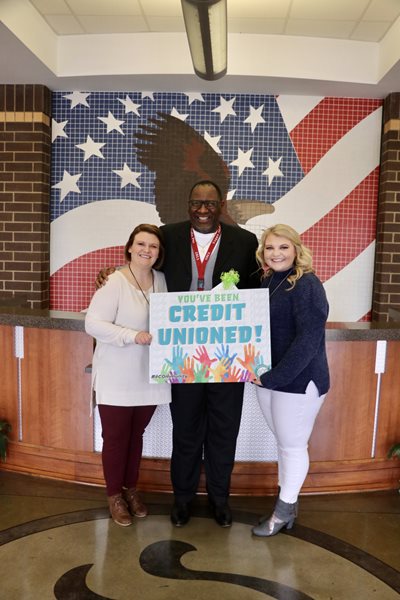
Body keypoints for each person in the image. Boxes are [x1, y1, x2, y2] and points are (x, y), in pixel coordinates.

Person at [96, 181, 259, 527]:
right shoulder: (168, 236)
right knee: (184, 432)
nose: (203, 210)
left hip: (228, 358)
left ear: (221, 205)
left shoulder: (245, 242)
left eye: (210, 204)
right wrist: (111, 272)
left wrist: (255, 356)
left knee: (223, 431)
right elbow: (143, 261)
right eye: (197, 203)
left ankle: (220, 500)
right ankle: (182, 500)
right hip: (182, 357)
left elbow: (256, 298)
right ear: (188, 204)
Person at [85, 224, 171, 527]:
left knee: (136, 437)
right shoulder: (114, 281)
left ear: (159, 253)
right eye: (141, 244)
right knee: (116, 438)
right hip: (117, 375)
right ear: (130, 247)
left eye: (153, 246)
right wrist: (131, 335)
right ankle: (114, 496)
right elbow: (93, 324)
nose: (147, 250)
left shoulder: (162, 280)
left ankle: (131, 489)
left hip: (148, 375)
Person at [251, 224, 330, 537]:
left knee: (293, 446)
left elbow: (308, 340)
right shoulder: (270, 279)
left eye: (283, 247)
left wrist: (274, 377)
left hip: (297, 382)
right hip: (269, 381)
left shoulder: (307, 283)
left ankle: (281, 514)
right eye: (270, 248)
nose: (276, 254)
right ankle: (289, 503)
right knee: (284, 444)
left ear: (296, 249)